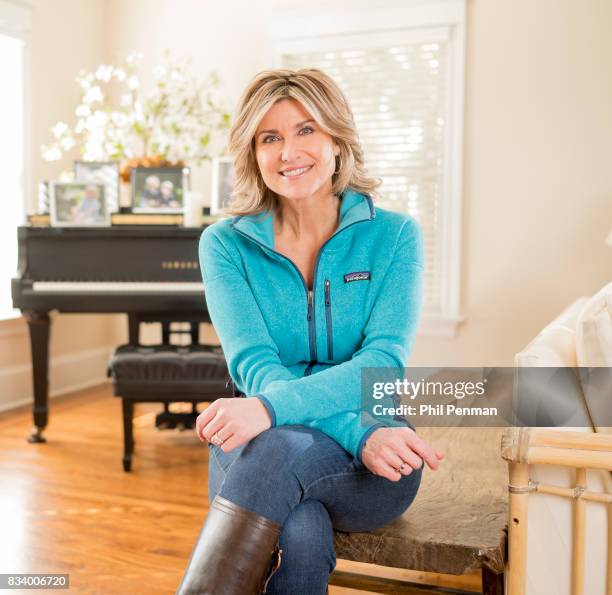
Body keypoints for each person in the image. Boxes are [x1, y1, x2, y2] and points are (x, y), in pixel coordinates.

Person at [177, 68, 445, 595]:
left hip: (372, 453)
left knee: (276, 449)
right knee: (299, 529)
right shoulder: (225, 244)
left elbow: (383, 365)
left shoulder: (394, 237)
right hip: (310, 437)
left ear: (338, 141)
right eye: (269, 137)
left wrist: (275, 412)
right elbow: (255, 365)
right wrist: (353, 430)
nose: (288, 152)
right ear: (252, 152)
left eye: (306, 130)